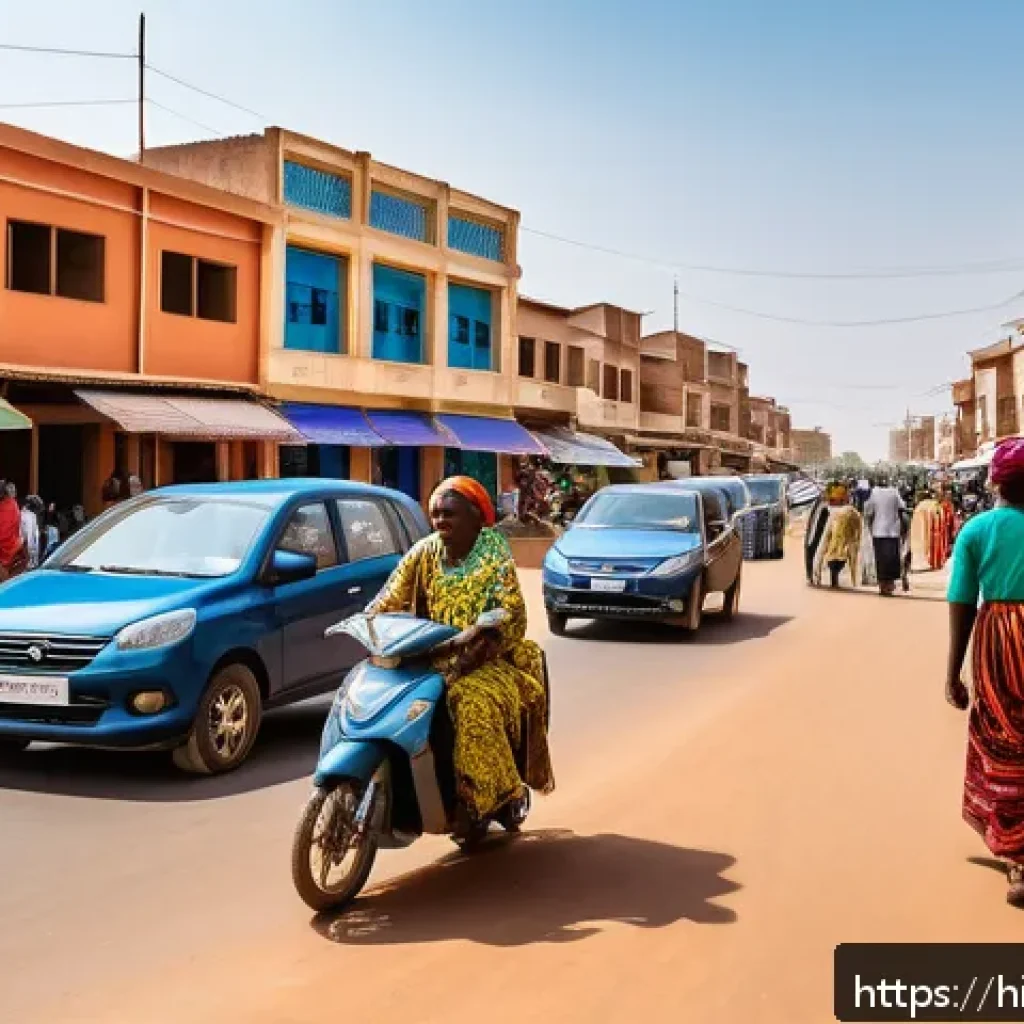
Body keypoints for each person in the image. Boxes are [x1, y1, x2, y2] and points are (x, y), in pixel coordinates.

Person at [366, 475, 554, 834]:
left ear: (475, 517)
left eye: (449, 513)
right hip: (427, 655)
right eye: (435, 514)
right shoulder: (425, 550)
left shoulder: (492, 550)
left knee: (469, 703)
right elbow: (389, 595)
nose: (440, 521)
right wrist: (369, 620)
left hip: (486, 659)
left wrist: (472, 648)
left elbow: (510, 611)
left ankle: (480, 798)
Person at [947, 437, 1024, 906]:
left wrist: (952, 672)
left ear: (995, 482)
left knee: (1005, 739)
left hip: (998, 638)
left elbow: (960, 602)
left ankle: (1017, 856)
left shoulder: (977, 531)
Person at [813, 484, 862, 588]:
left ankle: (825, 577)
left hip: (834, 551)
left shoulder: (830, 513)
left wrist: (816, 572)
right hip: (846, 549)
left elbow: (823, 544)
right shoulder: (855, 513)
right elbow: (857, 536)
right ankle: (853, 582)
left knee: (826, 551)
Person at [864, 477, 906, 596]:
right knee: (892, 559)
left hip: (879, 531)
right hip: (893, 531)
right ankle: (890, 584)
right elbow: (902, 506)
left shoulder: (874, 492)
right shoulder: (894, 491)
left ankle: (883, 585)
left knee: (881, 560)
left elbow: (868, 510)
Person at [0, 482, 27, 582]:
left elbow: (3, 534)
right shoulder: (12, 504)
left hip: (6, 555)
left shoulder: (7, 507)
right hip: (14, 549)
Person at [20, 495, 43, 569]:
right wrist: (32, 559)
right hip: (26, 555)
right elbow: (31, 539)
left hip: (20, 550)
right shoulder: (30, 516)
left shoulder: (21, 513)